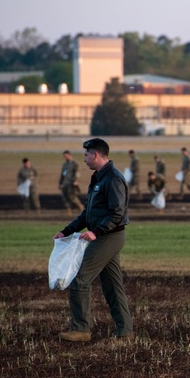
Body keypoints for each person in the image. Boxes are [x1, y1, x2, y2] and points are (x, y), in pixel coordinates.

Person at [52, 138, 132, 343]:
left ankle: (80, 330)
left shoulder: (113, 179)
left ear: (96, 154)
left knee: (81, 278)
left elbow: (118, 213)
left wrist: (96, 232)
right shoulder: (98, 178)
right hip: (104, 235)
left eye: (87, 155)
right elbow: (87, 214)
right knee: (112, 286)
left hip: (109, 237)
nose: (85, 159)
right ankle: (124, 330)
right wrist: (66, 231)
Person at [58, 150, 83, 215]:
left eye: (66, 156)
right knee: (65, 197)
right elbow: (62, 174)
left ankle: (81, 207)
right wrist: (60, 183)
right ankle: (68, 211)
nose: (65, 157)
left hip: (71, 183)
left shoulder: (74, 163)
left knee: (72, 197)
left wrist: (76, 181)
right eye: (64, 156)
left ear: (69, 155)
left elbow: (77, 172)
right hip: (64, 183)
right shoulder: (65, 164)